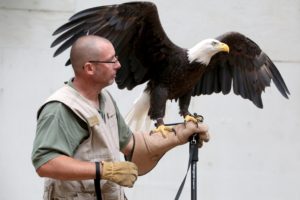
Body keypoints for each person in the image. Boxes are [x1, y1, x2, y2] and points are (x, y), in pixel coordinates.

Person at [31, 35, 210, 200]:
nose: (118, 65)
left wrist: (178, 136)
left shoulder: (105, 99)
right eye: (111, 60)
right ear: (89, 68)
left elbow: (131, 146)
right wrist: (105, 170)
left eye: (116, 58)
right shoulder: (61, 108)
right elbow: (46, 163)